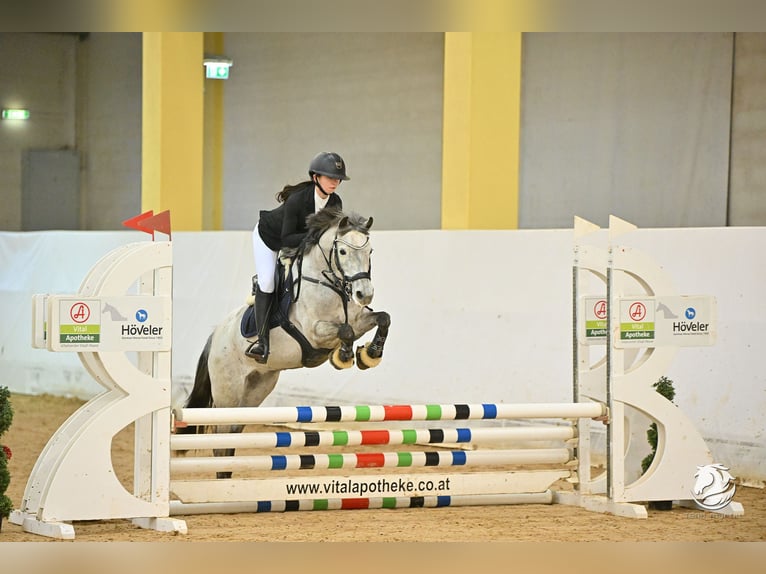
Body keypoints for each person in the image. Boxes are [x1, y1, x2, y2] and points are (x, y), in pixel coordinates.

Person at [246, 151, 350, 362]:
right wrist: (315, 237)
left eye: (337, 179)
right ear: (315, 178)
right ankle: (262, 342)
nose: (335, 182)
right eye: (330, 177)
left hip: (301, 242)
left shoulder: (335, 202)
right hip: (270, 237)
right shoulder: (297, 201)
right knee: (268, 282)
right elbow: (287, 238)